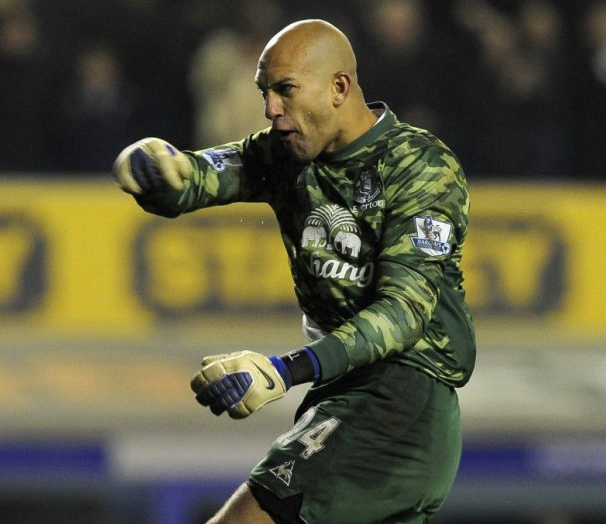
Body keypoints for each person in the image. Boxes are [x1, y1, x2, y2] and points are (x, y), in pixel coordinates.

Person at [112, 19, 476, 524]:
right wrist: (154, 166)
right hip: (347, 393)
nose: (270, 110)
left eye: (285, 90)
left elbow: (403, 313)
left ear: (339, 88)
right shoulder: (283, 152)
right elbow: (198, 177)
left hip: (399, 398)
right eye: (265, 93)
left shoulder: (418, 166)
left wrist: (286, 370)